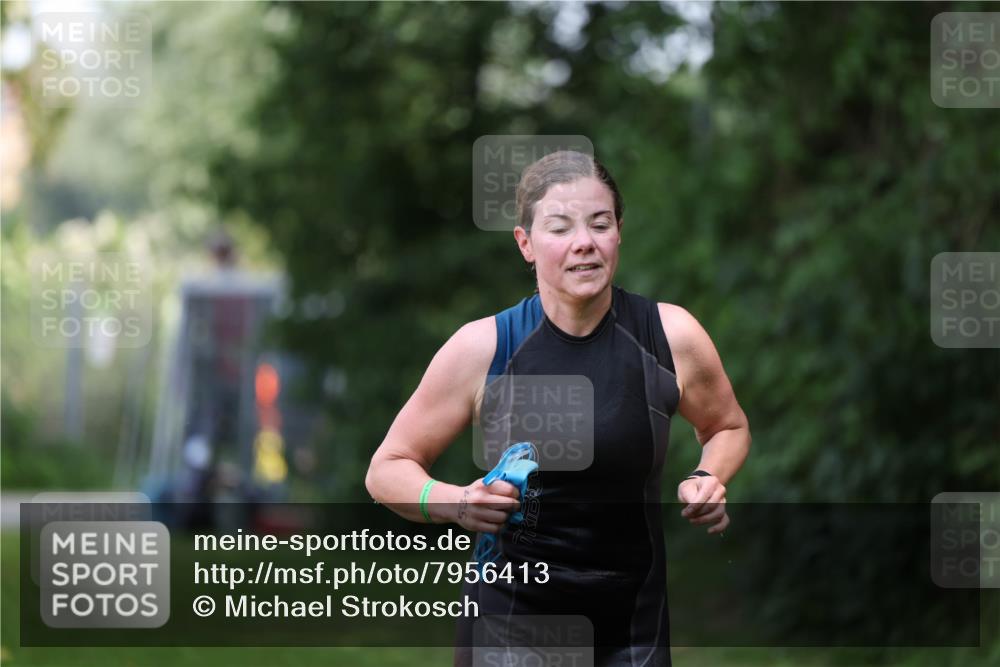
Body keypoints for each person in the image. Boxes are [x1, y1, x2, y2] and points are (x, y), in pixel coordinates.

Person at [365, 150, 751, 666]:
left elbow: (727, 426)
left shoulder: (670, 336)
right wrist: (457, 502)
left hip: (632, 629)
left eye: (600, 223)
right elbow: (387, 469)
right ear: (525, 243)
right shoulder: (483, 348)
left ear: (619, 233)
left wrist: (708, 475)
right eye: (560, 227)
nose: (584, 243)